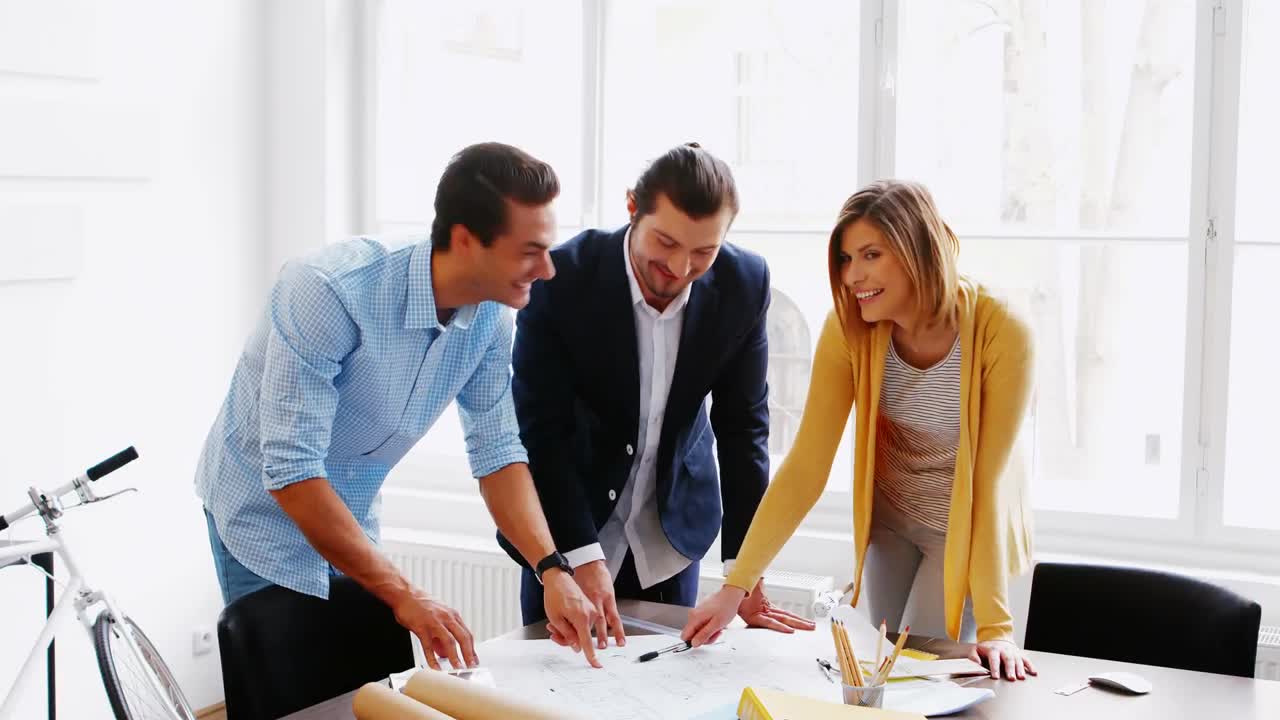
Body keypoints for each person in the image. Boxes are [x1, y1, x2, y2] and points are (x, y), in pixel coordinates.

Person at [196, 142, 604, 669]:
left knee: (363, 688)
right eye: (529, 251)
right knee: (291, 692)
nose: (547, 269)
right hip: (261, 513)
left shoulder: (490, 319)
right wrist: (406, 594)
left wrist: (553, 570)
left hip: (350, 505)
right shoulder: (328, 291)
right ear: (465, 240)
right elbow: (292, 471)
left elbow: (499, 452)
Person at [682, 180, 1038, 681]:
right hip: (890, 521)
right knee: (880, 671)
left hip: (960, 527)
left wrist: (998, 627)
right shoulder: (850, 328)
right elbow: (806, 466)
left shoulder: (1003, 328)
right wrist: (734, 586)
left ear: (919, 248)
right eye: (847, 259)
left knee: (919, 671)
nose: (853, 276)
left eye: (871, 254)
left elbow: (986, 487)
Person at [499, 143, 812, 649]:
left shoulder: (744, 284)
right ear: (632, 208)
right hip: (567, 533)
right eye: (665, 242)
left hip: (670, 538)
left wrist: (745, 572)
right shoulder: (561, 278)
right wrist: (580, 556)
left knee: (667, 683)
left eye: (703, 252)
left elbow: (743, 431)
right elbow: (540, 434)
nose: (680, 266)